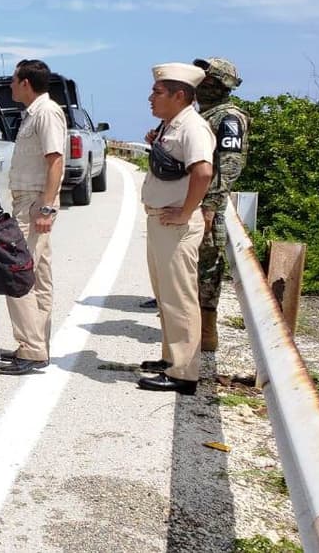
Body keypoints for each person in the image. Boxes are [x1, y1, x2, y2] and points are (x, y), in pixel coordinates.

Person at [138, 63, 215, 395]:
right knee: (165, 296)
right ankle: (171, 357)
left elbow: (203, 173)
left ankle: (184, 372)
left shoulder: (192, 127)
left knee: (180, 299)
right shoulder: (171, 125)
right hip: (160, 221)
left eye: (157, 92)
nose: (150, 98)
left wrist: (186, 213)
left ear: (179, 95)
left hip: (176, 226)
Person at [0, 59, 66, 375]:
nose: (10, 86)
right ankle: (35, 345)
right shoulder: (35, 113)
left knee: (18, 274)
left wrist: (46, 207)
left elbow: (55, 161)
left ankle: (32, 349)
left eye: (13, 80)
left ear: (26, 83)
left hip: (34, 204)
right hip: (29, 203)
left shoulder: (46, 112)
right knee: (37, 276)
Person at [192, 57, 247, 352]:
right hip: (192, 201)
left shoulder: (227, 118)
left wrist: (210, 205)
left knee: (207, 269)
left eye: (205, 81)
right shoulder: (206, 115)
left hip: (207, 205)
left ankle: (206, 334)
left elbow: (229, 164)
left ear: (216, 84)